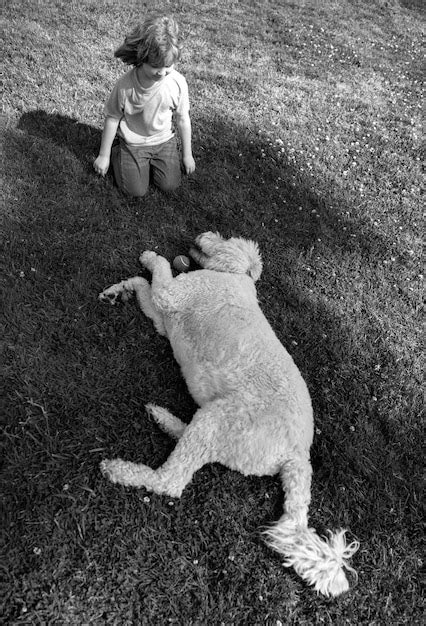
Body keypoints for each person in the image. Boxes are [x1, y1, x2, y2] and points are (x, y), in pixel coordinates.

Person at [94, 15, 195, 197]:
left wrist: (187, 154)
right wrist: (104, 155)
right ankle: (119, 152)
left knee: (170, 185)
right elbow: (113, 117)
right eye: (156, 66)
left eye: (168, 66)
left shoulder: (177, 83)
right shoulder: (126, 85)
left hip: (163, 140)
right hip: (133, 143)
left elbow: (183, 119)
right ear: (142, 57)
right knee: (135, 191)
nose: (162, 73)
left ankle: (152, 163)